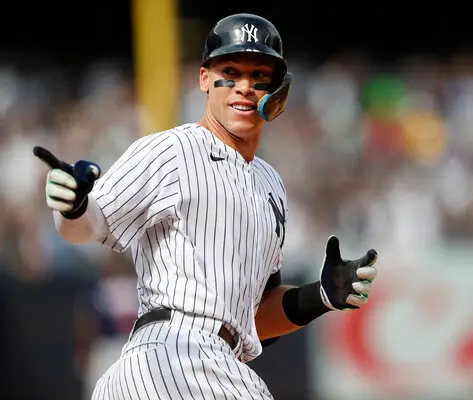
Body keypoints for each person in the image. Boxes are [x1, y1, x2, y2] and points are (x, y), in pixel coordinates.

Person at [35, 13, 379, 400]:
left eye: (259, 76)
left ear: (277, 91)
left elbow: (253, 319)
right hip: (171, 356)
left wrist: (321, 296)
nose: (244, 87)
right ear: (204, 80)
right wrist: (72, 208)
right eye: (230, 73)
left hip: (212, 363)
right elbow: (93, 222)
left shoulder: (271, 185)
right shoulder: (173, 150)